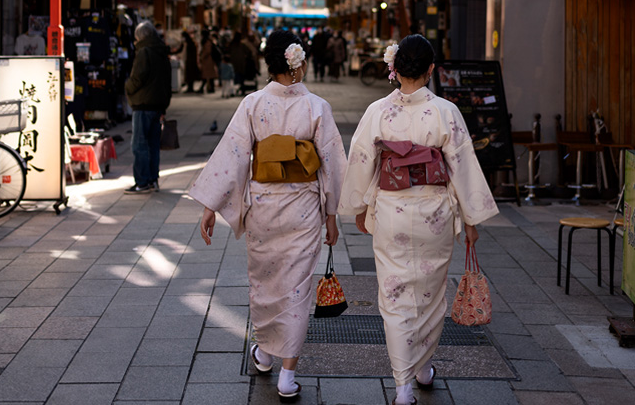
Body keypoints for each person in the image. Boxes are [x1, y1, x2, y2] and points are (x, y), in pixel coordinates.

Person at [338, 34, 500, 405]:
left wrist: (361, 208)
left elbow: (362, 161)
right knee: (430, 295)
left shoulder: (378, 111)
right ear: (430, 70)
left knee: (394, 296)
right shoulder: (445, 111)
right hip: (434, 213)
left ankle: (402, 386)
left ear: (394, 68)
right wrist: (471, 221)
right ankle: (423, 367)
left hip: (393, 212)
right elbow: (462, 167)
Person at [190, 29, 346, 400]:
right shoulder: (316, 107)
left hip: (263, 206)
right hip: (303, 208)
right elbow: (332, 167)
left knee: (264, 284)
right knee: (297, 288)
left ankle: (263, 352)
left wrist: (211, 205)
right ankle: (286, 375)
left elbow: (232, 156)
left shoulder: (253, 103)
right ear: (296, 64)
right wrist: (331, 213)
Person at [124, 21, 172, 194]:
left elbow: (137, 78)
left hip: (143, 104)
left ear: (140, 37)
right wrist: (165, 103)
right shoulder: (162, 51)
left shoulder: (144, 52)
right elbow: (168, 80)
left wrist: (127, 87)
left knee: (139, 144)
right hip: (158, 104)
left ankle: (142, 182)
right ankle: (152, 180)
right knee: (152, 144)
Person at [198, 29, 220, 94]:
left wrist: (202, 56)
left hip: (208, 60)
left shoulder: (207, 42)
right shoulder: (209, 41)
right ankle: (210, 88)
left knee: (207, 75)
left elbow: (207, 51)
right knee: (209, 75)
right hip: (208, 60)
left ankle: (203, 88)